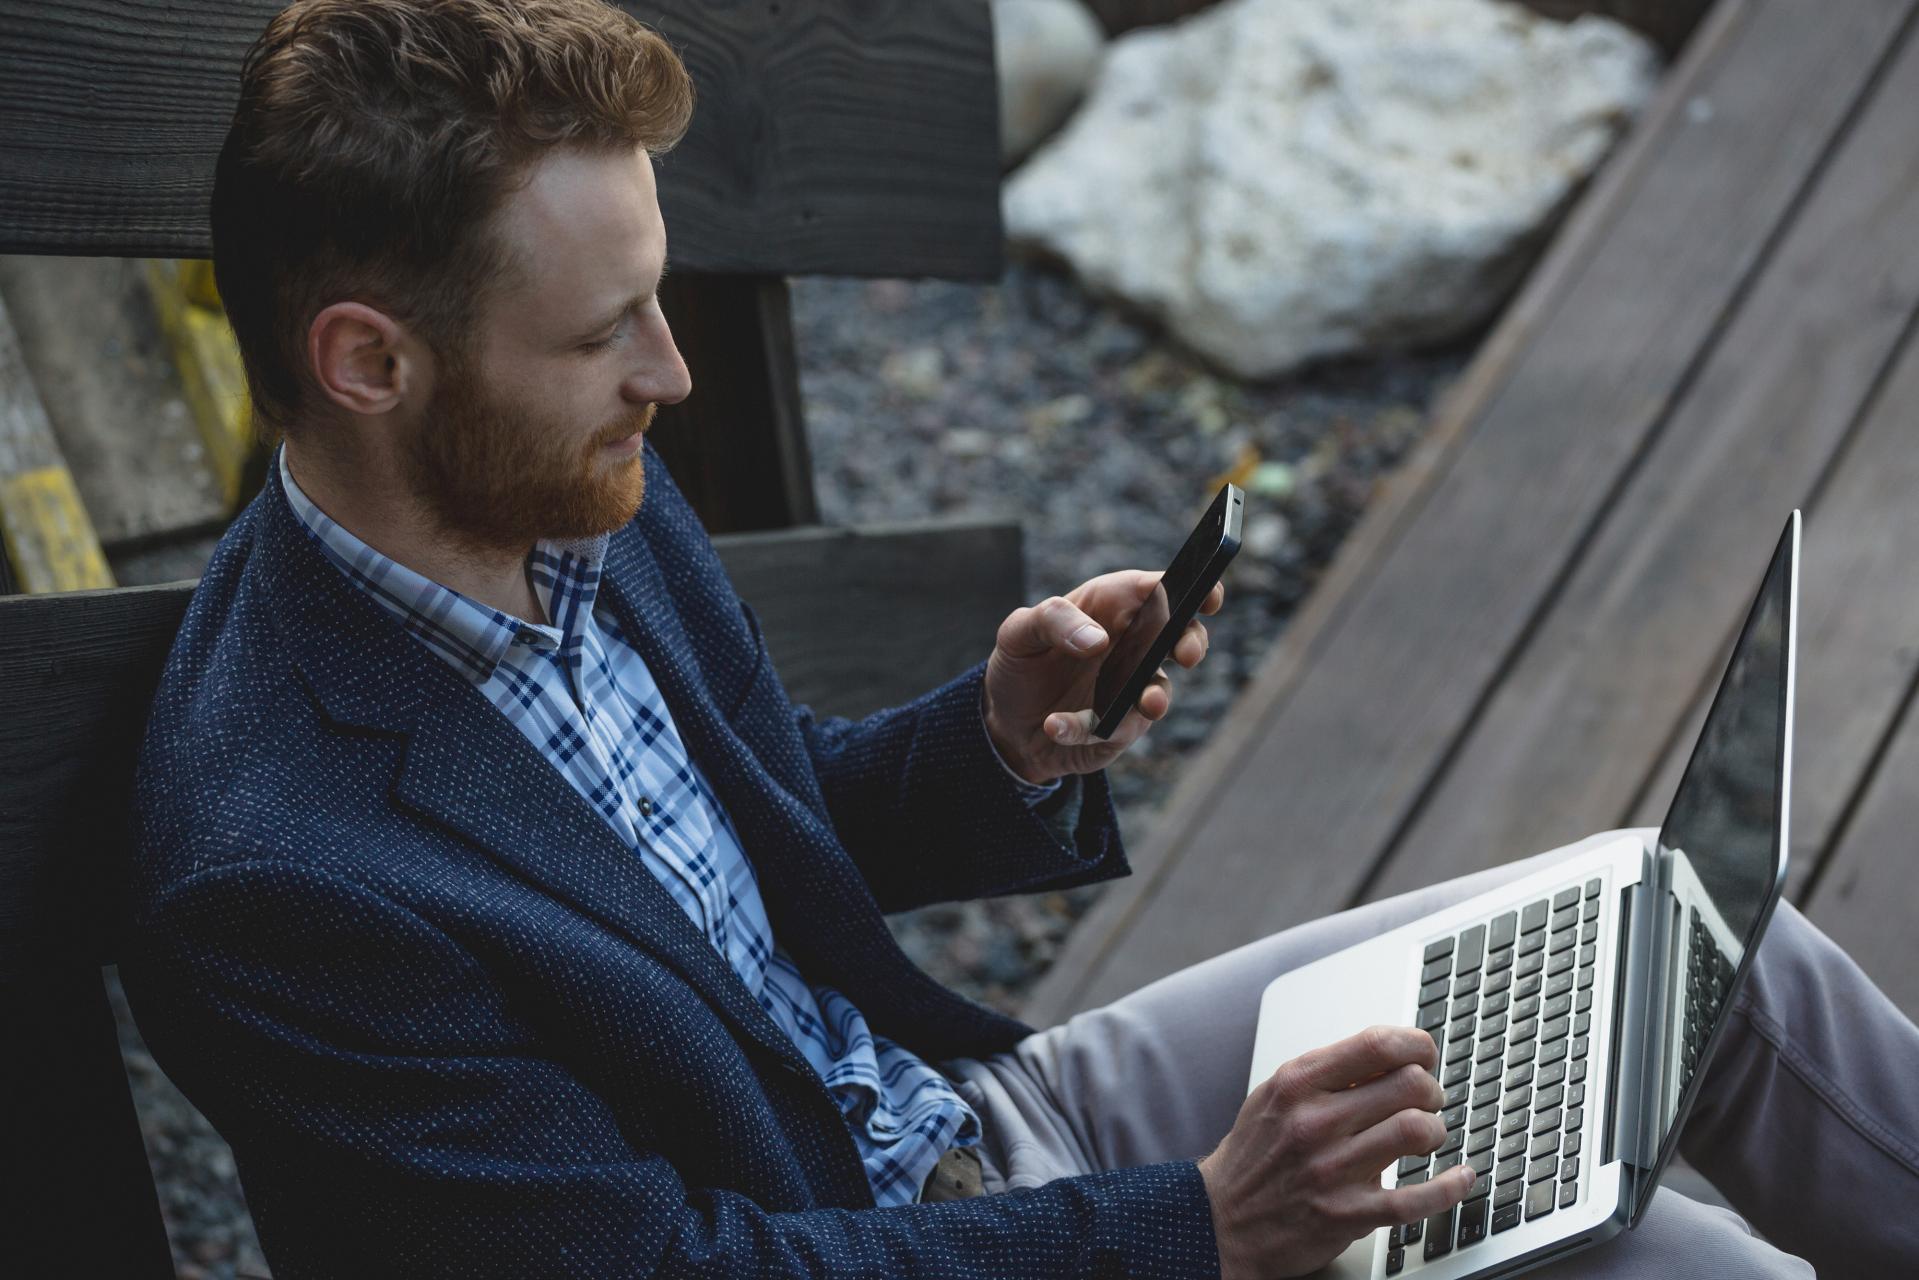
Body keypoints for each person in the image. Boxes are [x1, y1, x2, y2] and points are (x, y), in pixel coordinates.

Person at [119, 2, 1919, 1277]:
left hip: (994, 1122)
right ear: (371, 360)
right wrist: (1203, 1230)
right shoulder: (282, 880)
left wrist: (987, 741)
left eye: (661, 300)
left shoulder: (543, 478)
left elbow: (711, 856)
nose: (667, 375)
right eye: (609, 332)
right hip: (939, 1239)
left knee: (1680, 941)